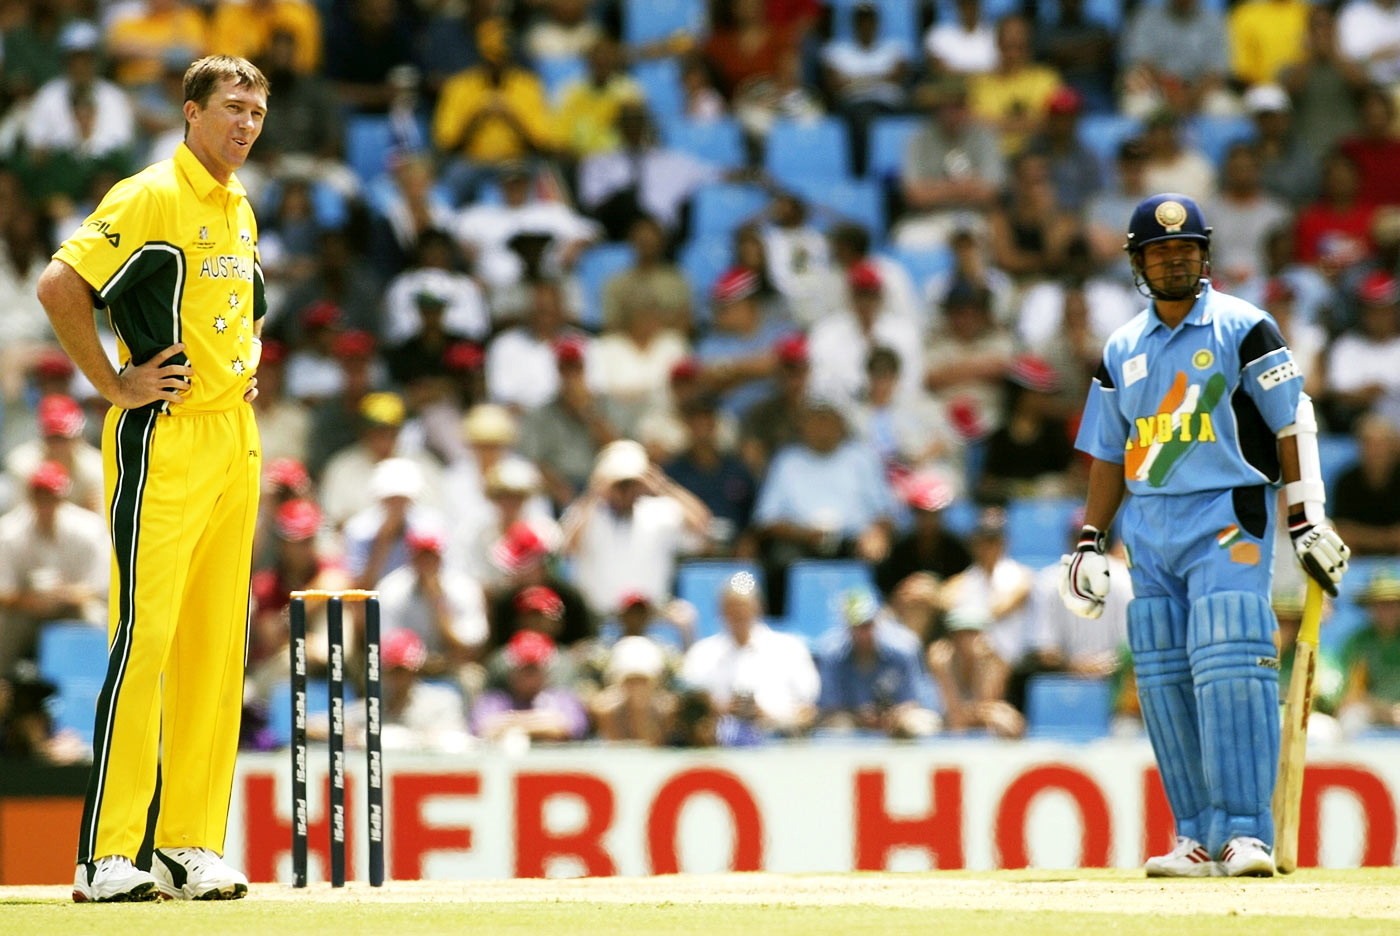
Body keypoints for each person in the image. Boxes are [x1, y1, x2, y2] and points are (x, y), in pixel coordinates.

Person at [1061, 193, 1350, 878]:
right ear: (1138, 264)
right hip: (1152, 525)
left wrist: (1307, 514)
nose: (1173, 261)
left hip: (1229, 513)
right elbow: (1110, 453)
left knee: (1228, 661)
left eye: (1185, 250)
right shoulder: (1121, 348)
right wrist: (1090, 538)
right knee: (1161, 672)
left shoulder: (1245, 327)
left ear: (1206, 256)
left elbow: (1293, 422)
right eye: (1160, 253)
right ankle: (1193, 834)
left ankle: (1246, 832)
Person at [35, 56, 269, 901]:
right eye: (232, 108)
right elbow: (60, 284)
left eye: (258, 110)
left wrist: (244, 368)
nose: (246, 124)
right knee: (145, 641)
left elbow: (236, 308)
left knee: (217, 650)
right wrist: (112, 383)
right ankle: (107, 853)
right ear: (190, 112)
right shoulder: (149, 195)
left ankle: (188, 846)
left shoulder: (238, 204)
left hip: (231, 436)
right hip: (162, 438)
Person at [680, 571, 819, 741]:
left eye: (744, 606)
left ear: (758, 608)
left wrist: (768, 714)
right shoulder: (701, 653)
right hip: (718, 743)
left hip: (778, 742)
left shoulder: (790, 649)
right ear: (721, 610)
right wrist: (720, 708)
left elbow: (807, 708)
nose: (739, 613)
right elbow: (688, 705)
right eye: (732, 607)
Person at [0, 461, 109, 676]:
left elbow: (102, 586)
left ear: (62, 498)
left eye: (51, 498)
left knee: (94, 617)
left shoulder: (88, 529)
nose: (45, 505)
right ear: (30, 497)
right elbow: (3, 591)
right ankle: (3, 690)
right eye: (40, 497)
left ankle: (92, 688)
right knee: (4, 623)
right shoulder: (10, 531)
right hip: (25, 609)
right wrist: (28, 600)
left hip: (72, 608)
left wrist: (66, 594)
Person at [813, 590, 940, 739]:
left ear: (877, 622)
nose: (865, 632)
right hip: (851, 718)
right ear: (847, 626)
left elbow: (915, 698)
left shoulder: (904, 648)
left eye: (868, 624)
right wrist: (861, 715)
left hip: (899, 717)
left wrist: (894, 715)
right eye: (858, 626)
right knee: (836, 728)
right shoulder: (832, 654)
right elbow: (829, 705)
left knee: (920, 724)